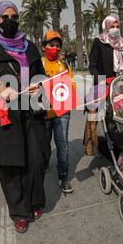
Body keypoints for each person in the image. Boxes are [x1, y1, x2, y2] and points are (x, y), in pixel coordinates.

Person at [0, 1, 49, 233]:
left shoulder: (30, 47)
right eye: (4, 16)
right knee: (10, 165)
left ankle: (35, 201)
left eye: (14, 16)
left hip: (32, 113)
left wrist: (39, 85)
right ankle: (19, 212)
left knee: (37, 161)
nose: (9, 20)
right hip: (4, 118)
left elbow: (41, 76)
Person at [86, 15, 123, 155]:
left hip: (120, 85)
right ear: (106, 27)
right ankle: (99, 143)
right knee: (98, 114)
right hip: (104, 84)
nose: (115, 29)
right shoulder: (99, 42)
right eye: (112, 26)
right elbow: (93, 65)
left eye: (117, 26)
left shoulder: (122, 44)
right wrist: (100, 80)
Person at [41, 30, 76, 194]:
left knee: (62, 145)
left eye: (57, 46)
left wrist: (72, 93)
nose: (54, 48)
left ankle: (63, 177)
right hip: (44, 113)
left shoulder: (64, 65)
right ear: (43, 47)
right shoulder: (38, 64)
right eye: (51, 45)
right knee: (44, 143)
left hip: (62, 111)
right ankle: (45, 162)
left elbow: (72, 84)